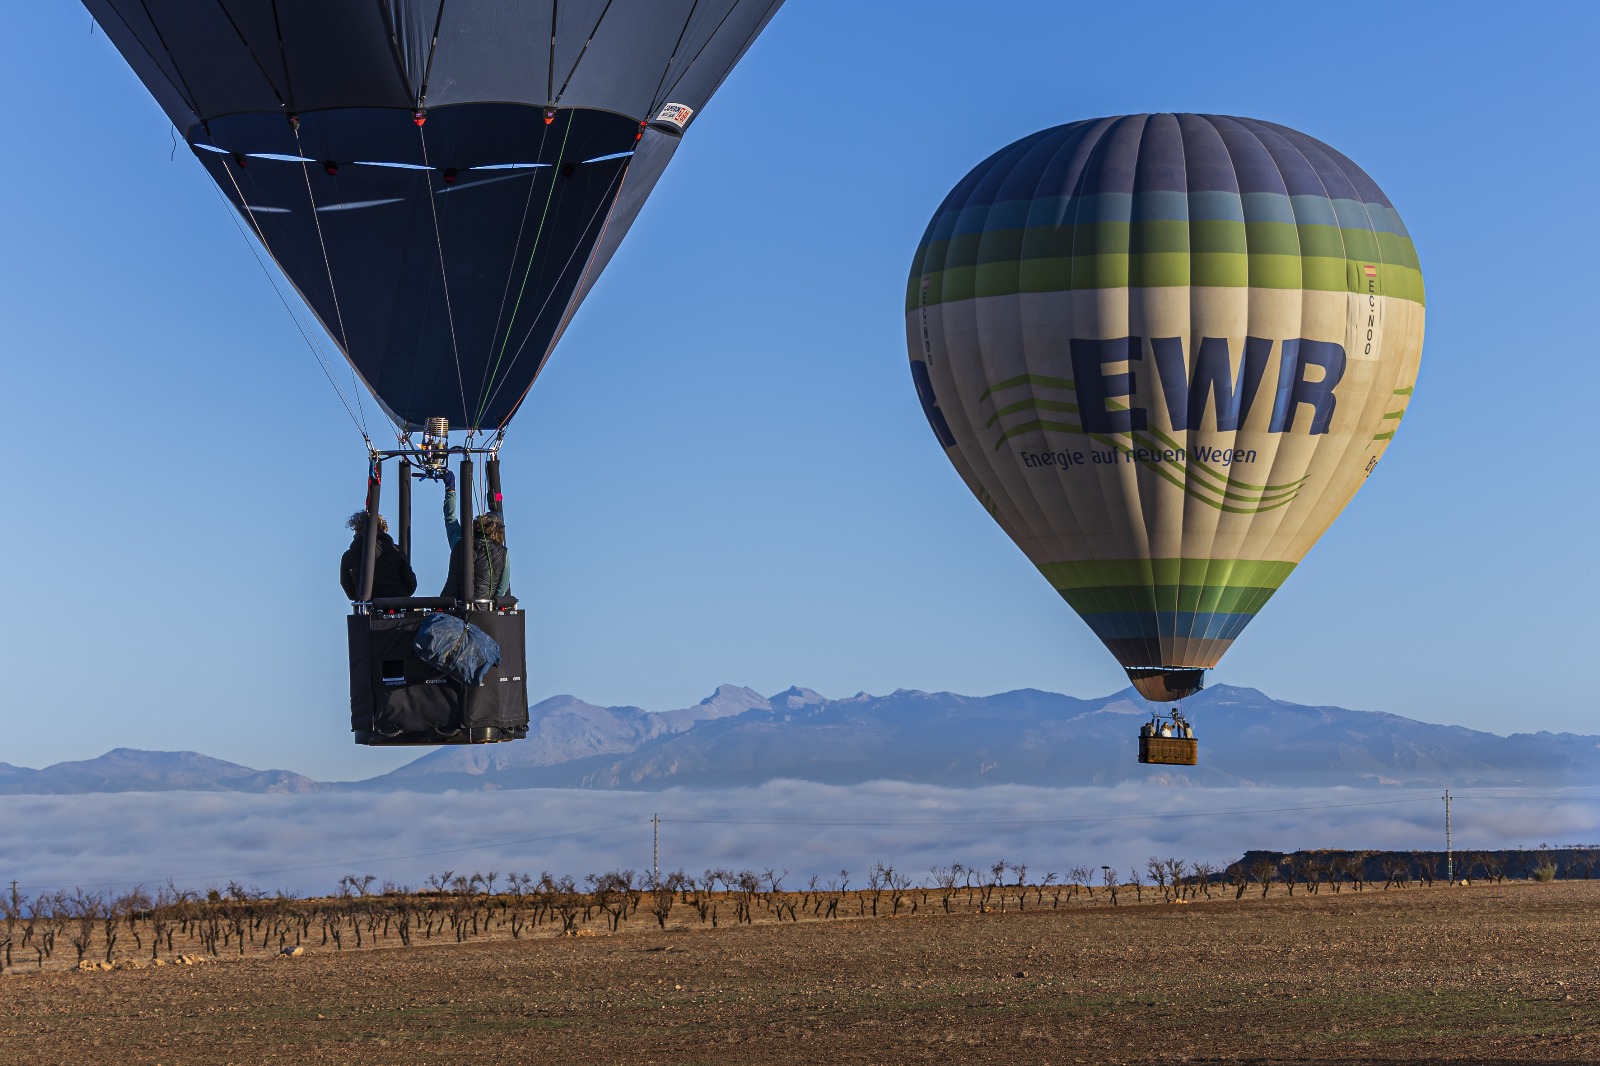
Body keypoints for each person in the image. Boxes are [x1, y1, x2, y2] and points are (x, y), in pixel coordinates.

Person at [440, 469, 511, 601]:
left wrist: (450, 488)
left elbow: (451, 519)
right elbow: (503, 587)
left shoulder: (460, 543)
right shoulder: (503, 553)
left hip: (453, 608)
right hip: (484, 611)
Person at [340, 512, 418, 600]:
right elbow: (410, 583)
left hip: (368, 607)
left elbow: (349, 590)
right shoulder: (396, 551)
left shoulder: (349, 556)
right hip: (397, 603)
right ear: (382, 529)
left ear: (357, 530)